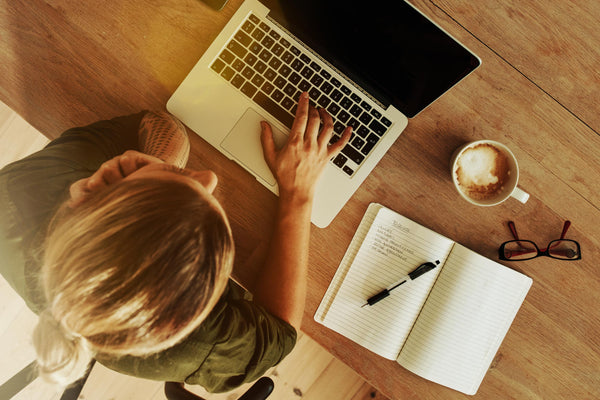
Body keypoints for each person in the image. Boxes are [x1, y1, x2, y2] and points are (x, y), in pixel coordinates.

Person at [0, 92, 352, 392]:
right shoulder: (203, 343)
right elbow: (280, 333)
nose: (210, 177)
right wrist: (298, 193)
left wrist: (161, 178)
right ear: (192, 317)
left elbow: (160, 125)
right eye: (186, 174)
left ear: (98, 181)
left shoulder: (15, 193)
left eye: (183, 174)